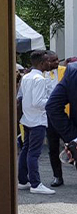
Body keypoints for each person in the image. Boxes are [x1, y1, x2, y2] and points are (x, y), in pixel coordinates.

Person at [17, 50, 57, 195]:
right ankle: (35, 183)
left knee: (26, 150)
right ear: (41, 63)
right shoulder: (39, 79)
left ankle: (22, 180)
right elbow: (38, 102)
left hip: (27, 118)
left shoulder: (26, 77)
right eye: (47, 61)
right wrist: (53, 101)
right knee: (33, 153)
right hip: (37, 120)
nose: (49, 63)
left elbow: (21, 97)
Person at [46, 58, 77, 170]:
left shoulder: (72, 70)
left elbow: (52, 106)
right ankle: (57, 176)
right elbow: (52, 106)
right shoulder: (73, 70)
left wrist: (73, 137)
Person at [44, 51, 65, 187]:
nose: (57, 62)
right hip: (50, 117)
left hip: (66, 115)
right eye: (53, 60)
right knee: (53, 148)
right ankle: (57, 176)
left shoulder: (66, 71)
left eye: (57, 59)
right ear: (46, 62)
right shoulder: (41, 75)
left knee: (73, 144)